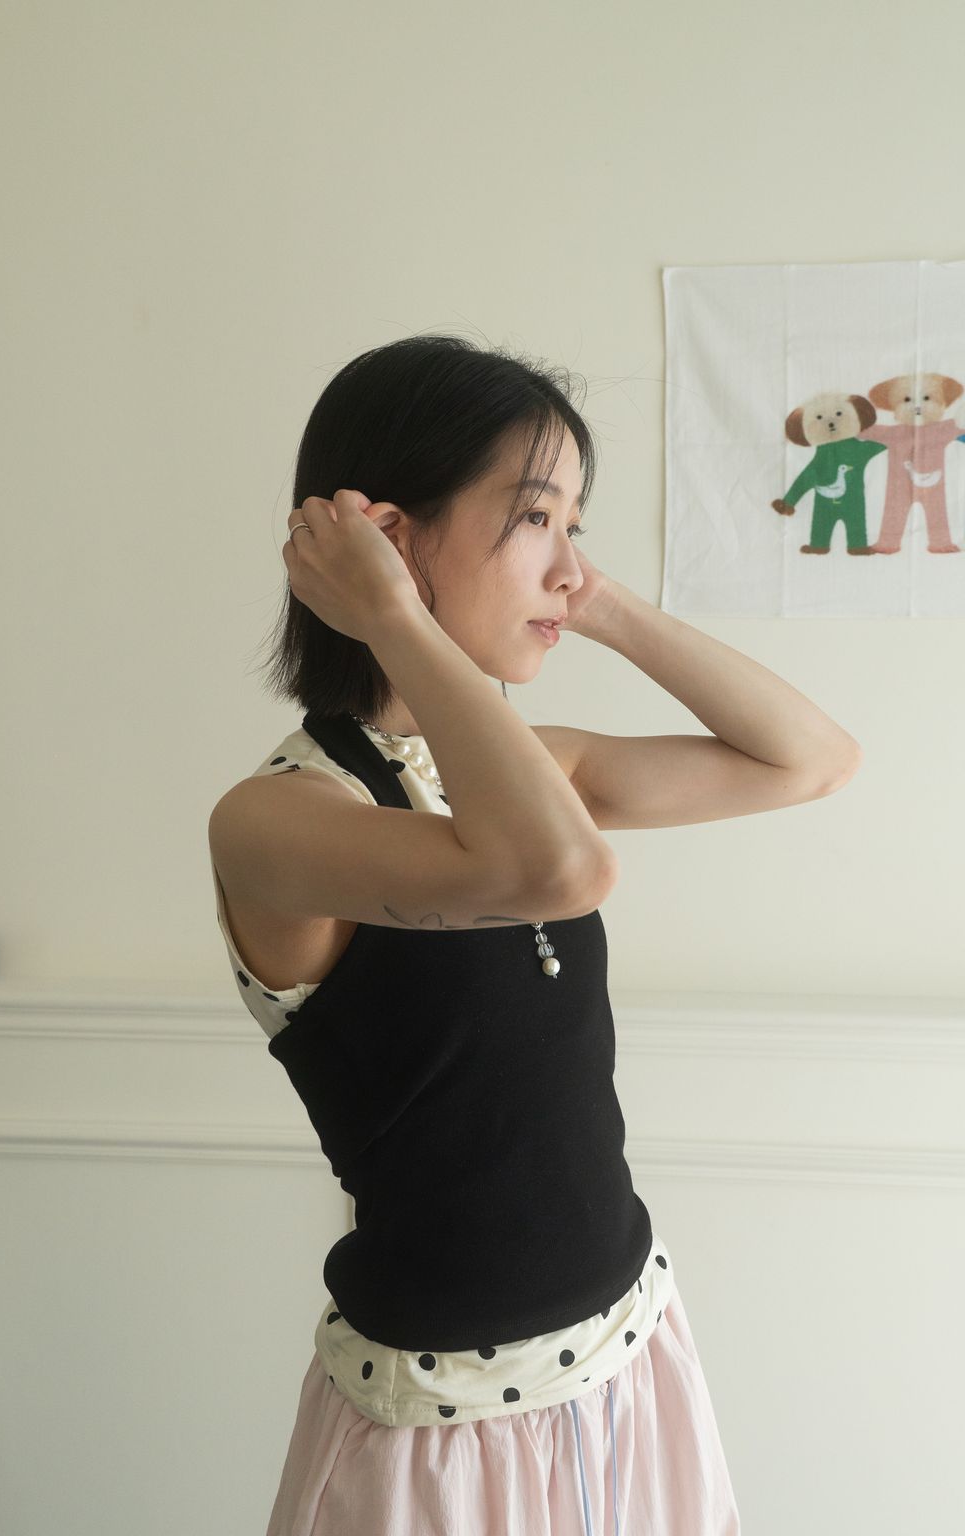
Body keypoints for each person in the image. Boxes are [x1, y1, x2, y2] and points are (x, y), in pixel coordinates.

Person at [208, 336, 743, 1534]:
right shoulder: (275, 820)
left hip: (632, 1355)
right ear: (389, 542)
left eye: (575, 524)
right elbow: (562, 871)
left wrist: (596, 602)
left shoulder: (520, 774)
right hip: (443, 1433)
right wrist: (396, 620)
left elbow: (810, 760)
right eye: (536, 518)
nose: (567, 563)